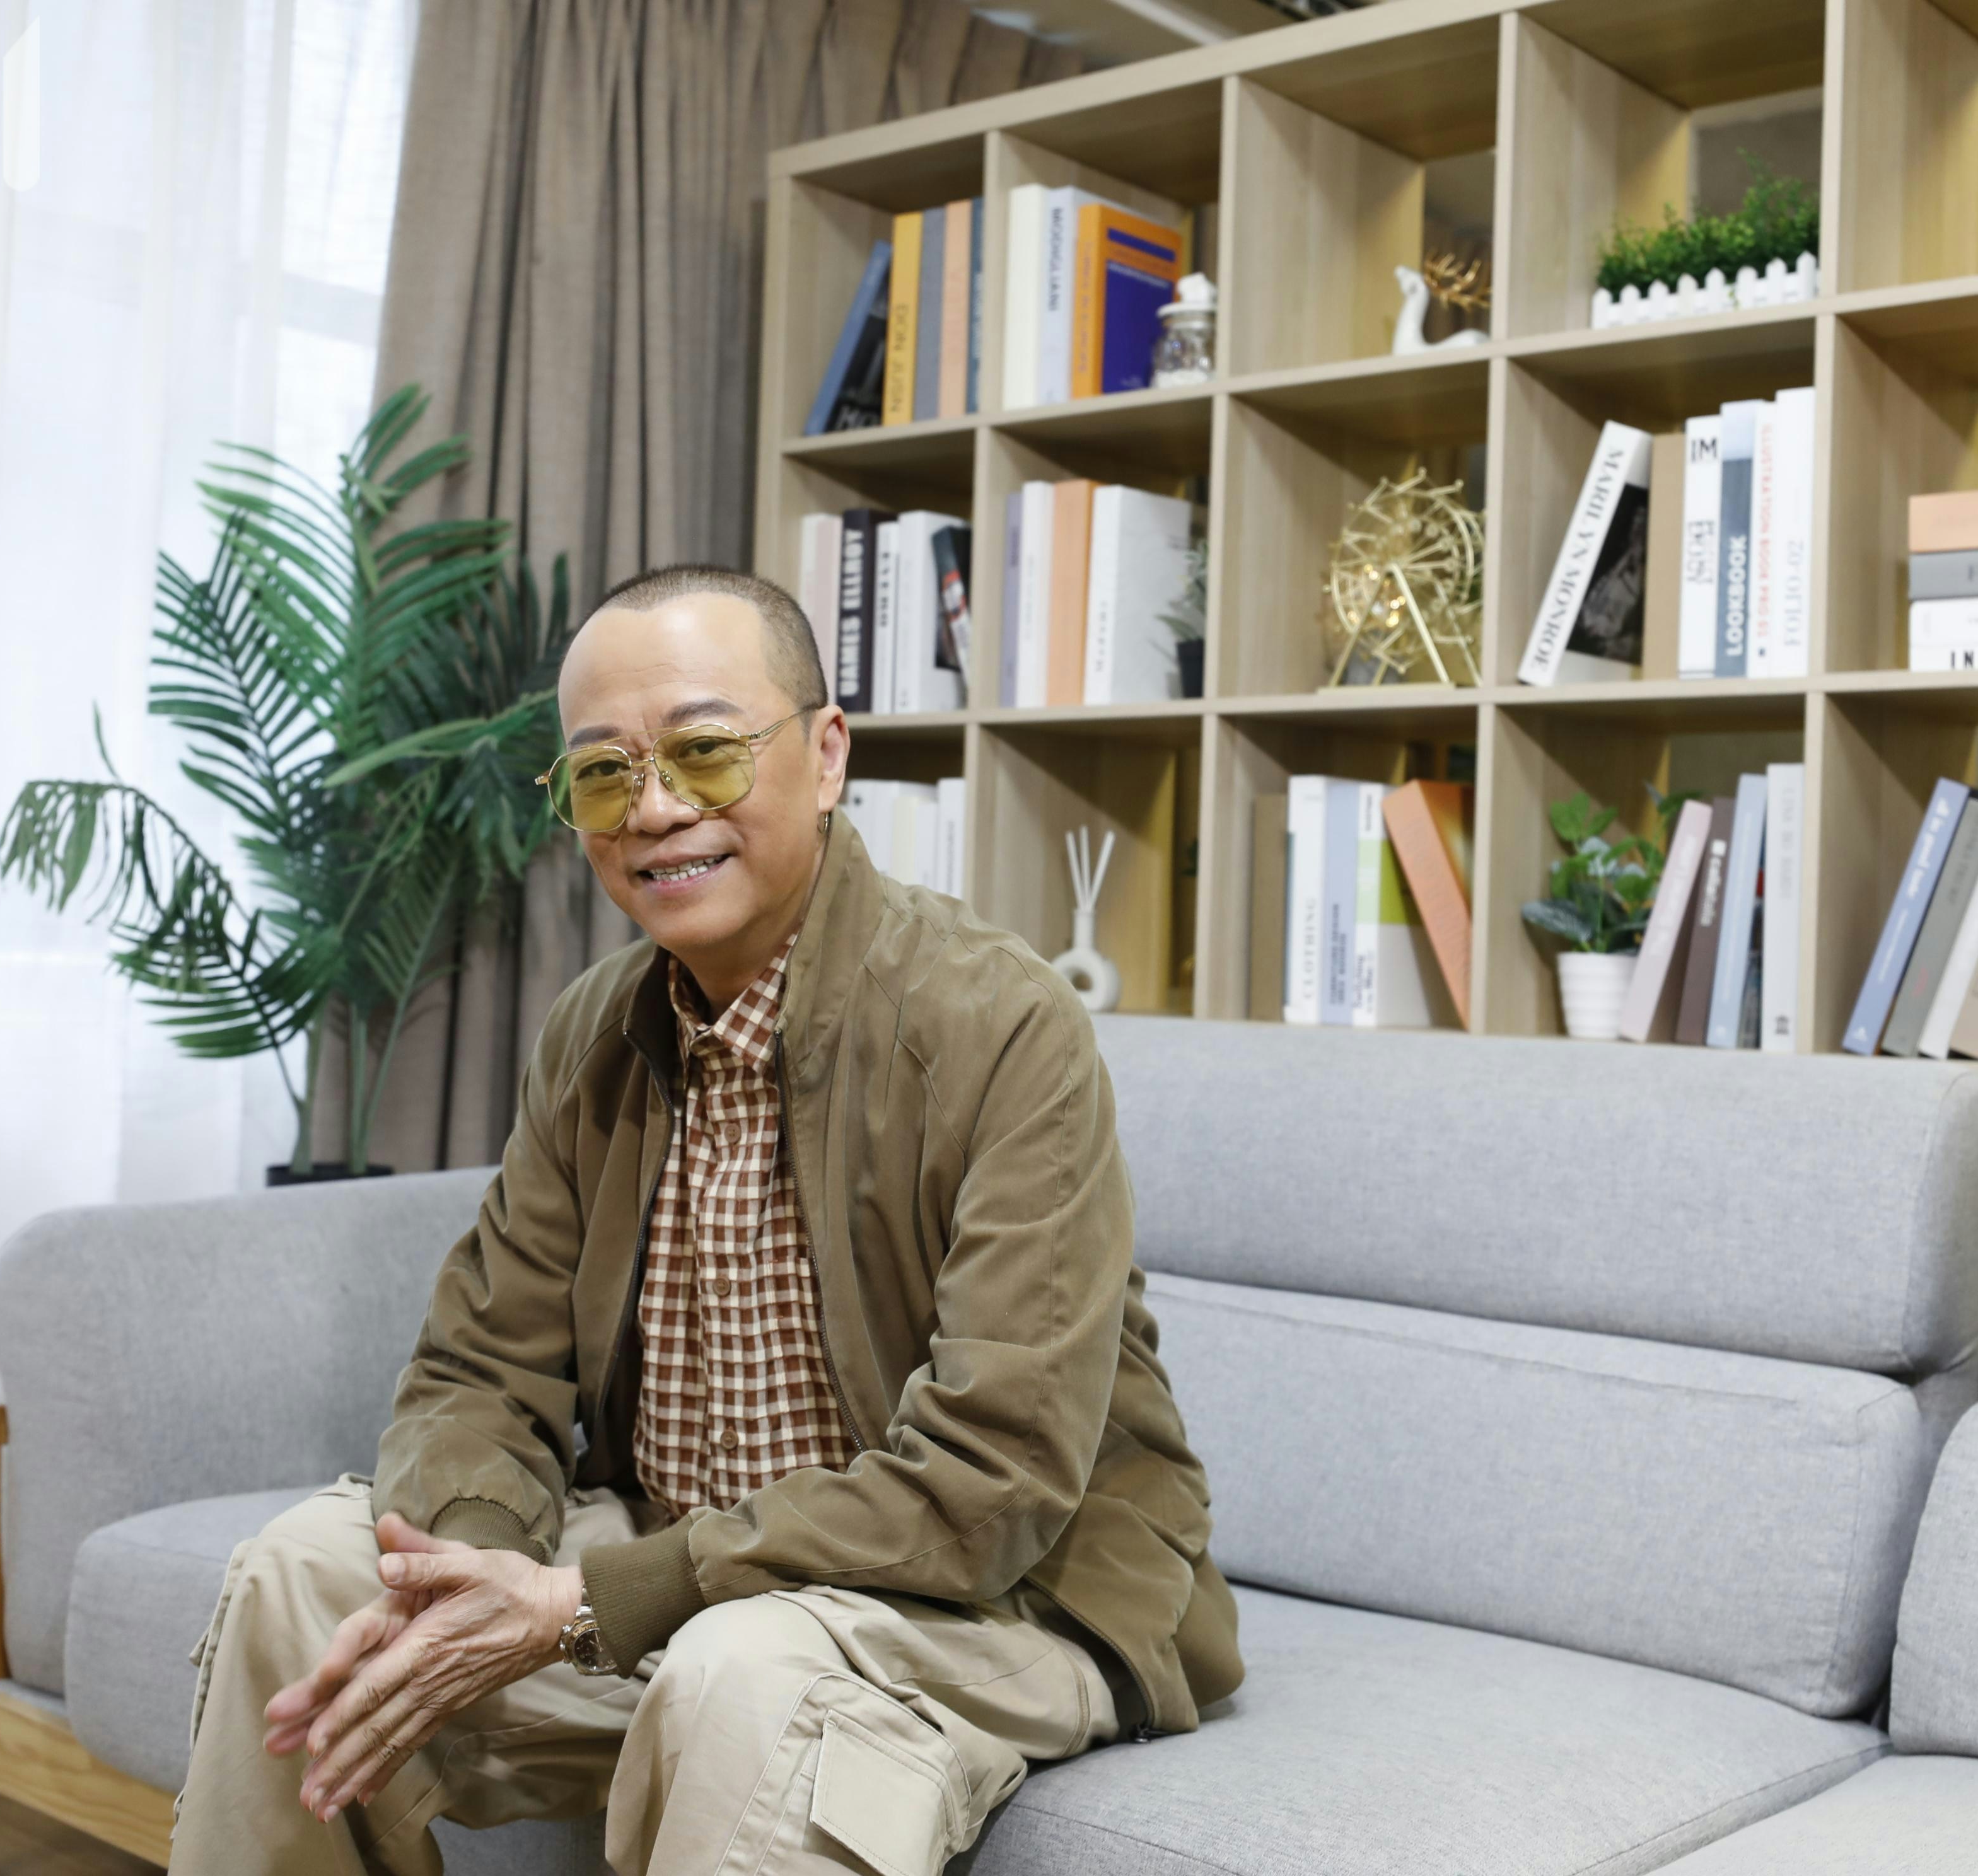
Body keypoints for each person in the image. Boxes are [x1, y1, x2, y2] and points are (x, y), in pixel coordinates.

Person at [167, 566, 1238, 1875]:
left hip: (994, 1598)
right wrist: (477, 1578)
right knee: (302, 1575)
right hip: (691, 1560)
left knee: (742, 1665)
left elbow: (994, 1479)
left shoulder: (1001, 1024)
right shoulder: (595, 1032)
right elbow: (480, 1372)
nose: (656, 809)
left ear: (827, 754)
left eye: (706, 753)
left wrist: (589, 1601)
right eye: (603, 774)